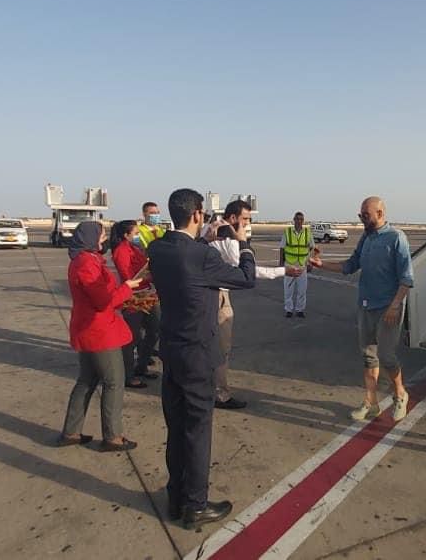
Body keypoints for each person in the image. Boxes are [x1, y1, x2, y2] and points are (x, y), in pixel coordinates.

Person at [147, 188, 255, 529]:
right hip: (197, 355)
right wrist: (243, 242)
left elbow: (186, 257)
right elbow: (246, 279)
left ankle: (176, 497)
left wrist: (203, 239)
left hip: (172, 351)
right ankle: (196, 505)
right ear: (197, 214)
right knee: (197, 431)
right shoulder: (202, 256)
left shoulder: (158, 248)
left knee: (177, 428)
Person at [314, 197, 415, 422]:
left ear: (380, 214)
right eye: (361, 215)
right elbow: (350, 265)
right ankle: (371, 403)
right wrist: (322, 265)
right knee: (369, 357)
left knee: (387, 356)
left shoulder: (396, 238)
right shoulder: (366, 238)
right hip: (366, 306)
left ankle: (400, 394)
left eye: (366, 215)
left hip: (388, 308)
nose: (362, 219)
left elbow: (407, 278)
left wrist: (395, 305)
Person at [55, 221, 145, 452]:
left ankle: (71, 431)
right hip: (99, 331)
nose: (104, 239)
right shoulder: (87, 263)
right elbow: (103, 301)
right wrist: (126, 288)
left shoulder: (86, 260)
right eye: (101, 235)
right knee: (114, 381)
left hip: (90, 328)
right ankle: (113, 436)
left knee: (87, 380)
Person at [204, 200, 297, 410]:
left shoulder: (209, 230)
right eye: (245, 219)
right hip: (218, 296)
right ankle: (220, 394)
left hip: (206, 295)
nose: (247, 223)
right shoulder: (228, 238)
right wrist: (282, 271)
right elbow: (247, 272)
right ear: (233, 218)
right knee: (221, 349)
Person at [109, 220, 160, 388]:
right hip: (133, 297)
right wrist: (148, 277)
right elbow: (128, 276)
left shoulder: (134, 248)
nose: (138, 236)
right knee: (132, 337)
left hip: (146, 294)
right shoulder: (121, 251)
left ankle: (142, 365)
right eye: (136, 233)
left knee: (154, 330)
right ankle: (128, 375)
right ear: (126, 235)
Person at [279, 211, 314, 318]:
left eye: (301, 219)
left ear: (303, 221)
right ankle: (289, 310)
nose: (299, 221)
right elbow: (282, 248)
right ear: (294, 220)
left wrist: (310, 262)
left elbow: (311, 247)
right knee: (288, 289)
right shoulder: (287, 232)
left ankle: (300, 310)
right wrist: (281, 263)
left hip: (302, 265)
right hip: (290, 264)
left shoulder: (307, 232)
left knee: (302, 290)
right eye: (297, 219)